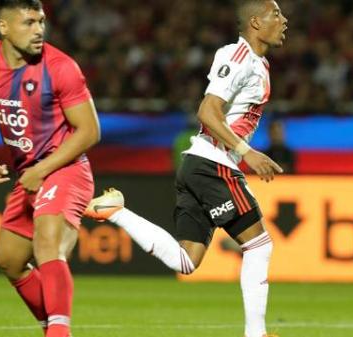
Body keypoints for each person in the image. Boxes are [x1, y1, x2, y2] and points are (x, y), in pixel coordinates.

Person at [85, 1, 287, 337]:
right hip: (214, 164)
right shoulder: (238, 58)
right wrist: (246, 152)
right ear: (255, 22)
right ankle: (256, 334)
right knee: (259, 245)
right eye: (276, 14)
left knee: (186, 261)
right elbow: (207, 112)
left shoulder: (259, 63)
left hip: (200, 164)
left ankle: (116, 212)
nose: (284, 20)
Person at [0, 1, 100, 337]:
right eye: (28, 22)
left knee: (48, 246)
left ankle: (58, 333)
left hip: (65, 167)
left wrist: (44, 170)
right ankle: (52, 325)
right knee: (9, 261)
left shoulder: (61, 67)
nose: (39, 30)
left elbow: (89, 131)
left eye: (41, 21)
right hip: (29, 174)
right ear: (3, 27)